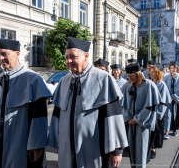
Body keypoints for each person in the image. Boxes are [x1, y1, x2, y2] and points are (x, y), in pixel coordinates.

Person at [48, 37, 128, 168]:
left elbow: (113, 116)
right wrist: (55, 142)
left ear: (86, 56)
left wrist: (116, 151)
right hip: (67, 151)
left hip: (94, 151)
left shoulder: (103, 78)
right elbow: (57, 114)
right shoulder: (64, 81)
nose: (68, 61)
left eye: (73, 57)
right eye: (67, 57)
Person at [0, 39, 52, 168]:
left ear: (17, 53)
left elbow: (40, 116)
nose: (1, 58)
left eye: (4, 54)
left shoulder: (33, 79)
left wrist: (37, 145)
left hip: (22, 144)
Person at [121, 63, 160, 168]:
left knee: (141, 150)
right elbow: (122, 105)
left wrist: (137, 119)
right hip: (130, 122)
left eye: (132, 76)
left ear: (138, 74)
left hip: (143, 124)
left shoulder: (148, 85)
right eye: (128, 76)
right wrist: (128, 118)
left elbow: (151, 107)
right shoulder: (127, 85)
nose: (129, 78)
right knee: (132, 151)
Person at [148, 66, 171, 159]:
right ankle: (150, 148)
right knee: (150, 131)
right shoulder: (149, 83)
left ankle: (153, 149)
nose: (152, 74)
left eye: (154, 72)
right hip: (150, 112)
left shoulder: (161, 84)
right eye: (151, 72)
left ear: (157, 73)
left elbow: (164, 101)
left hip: (158, 112)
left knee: (156, 132)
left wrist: (159, 114)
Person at [164, 62, 179, 137]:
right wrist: (168, 97)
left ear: (176, 69)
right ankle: (167, 131)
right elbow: (165, 89)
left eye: (173, 68)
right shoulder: (166, 77)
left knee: (178, 114)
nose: (172, 70)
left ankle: (175, 129)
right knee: (168, 114)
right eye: (171, 68)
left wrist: (177, 97)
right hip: (169, 98)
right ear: (169, 69)